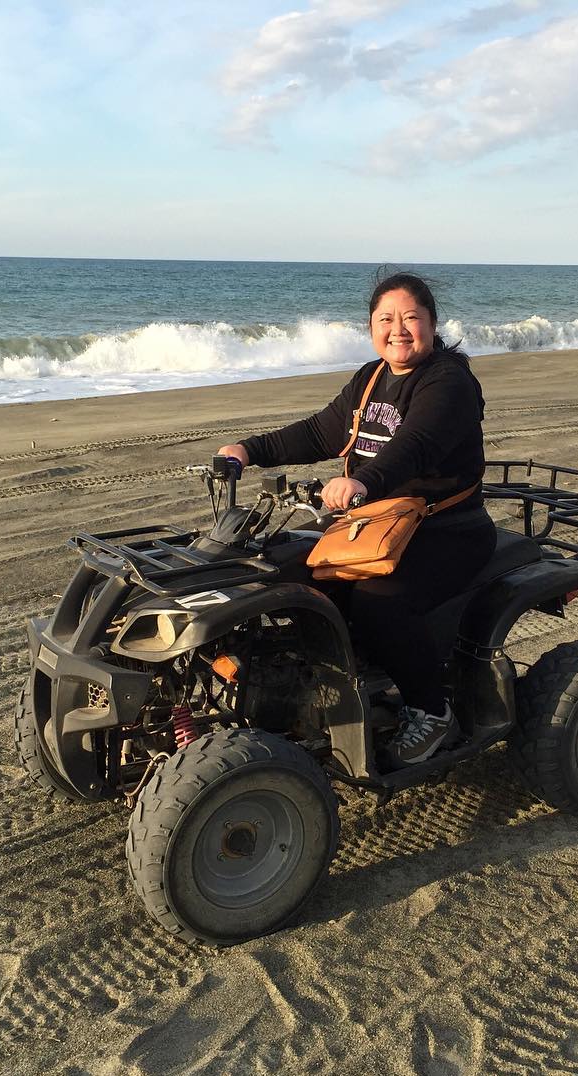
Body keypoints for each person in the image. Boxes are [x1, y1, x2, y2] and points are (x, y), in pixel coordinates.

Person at [218, 272, 496, 768]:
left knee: (377, 603)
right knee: (291, 580)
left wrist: (364, 482)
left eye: (411, 317)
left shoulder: (448, 381)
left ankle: (431, 712)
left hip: (445, 529)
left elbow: (416, 446)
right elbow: (320, 432)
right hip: (375, 526)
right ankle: (319, 695)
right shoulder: (370, 378)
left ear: (432, 323)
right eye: (386, 319)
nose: (399, 329)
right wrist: (249, 450)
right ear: (371, 326)